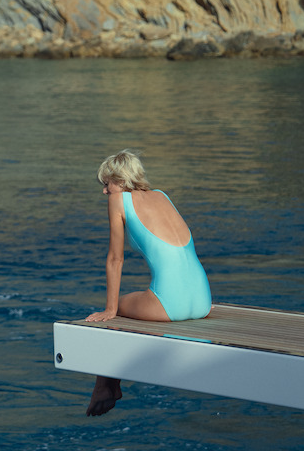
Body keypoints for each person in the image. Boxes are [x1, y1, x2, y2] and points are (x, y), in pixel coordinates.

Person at [84, 149, 212, 416]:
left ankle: (106, 384)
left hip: (170, 304)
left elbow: (115, 259)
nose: (105, 192)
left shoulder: (119, 200)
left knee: (118, 307)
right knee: (135, 301)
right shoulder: (162, 196)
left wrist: (109, 310)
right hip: (203, 300)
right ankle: (109, 383)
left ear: (119, 180)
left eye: (106, 184)